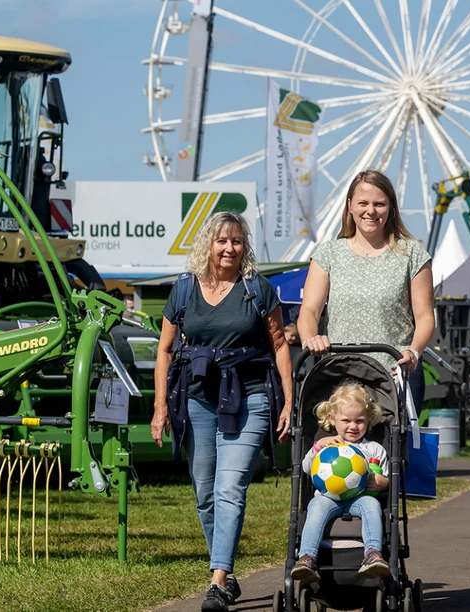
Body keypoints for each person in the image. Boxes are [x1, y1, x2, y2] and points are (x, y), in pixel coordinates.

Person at [151, 211, 294, 612]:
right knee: (205, 492)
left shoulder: (257, 289)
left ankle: (217, 580)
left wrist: (289, 400)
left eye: (236, 241)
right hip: (197, 399)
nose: (229, 248)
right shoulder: (184, 289)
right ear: (207, 245)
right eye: (222, 241)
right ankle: (226, 573)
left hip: (249, 397)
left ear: (244, 246)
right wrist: (160, 406)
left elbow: (280, 345)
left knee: (229, 487)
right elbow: (164, 349)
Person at [298, 170, 434, 381]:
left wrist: (414, 351)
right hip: (340, 373)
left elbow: (425, 316)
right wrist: (310, 339)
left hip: (395, 373)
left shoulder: (412, 254)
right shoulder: (329, 254)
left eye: (379, 204)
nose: (371, 211)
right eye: (363, 203)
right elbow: (309, 310)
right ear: (350, 205)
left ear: (391, 208)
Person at [290, 383, 391, 584]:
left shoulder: (374, 449)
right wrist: (317, 447)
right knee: (315, 506)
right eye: (346, 420)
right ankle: (307, 557)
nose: (353, 426)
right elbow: (306, 468)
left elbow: (387, 478)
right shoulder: (327, 446)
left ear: (369, 419)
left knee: (373, 505)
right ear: (332, 419)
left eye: (359, 421)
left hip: (360, 498)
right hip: (328, 498)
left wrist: (382, 482)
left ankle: (373, 554)